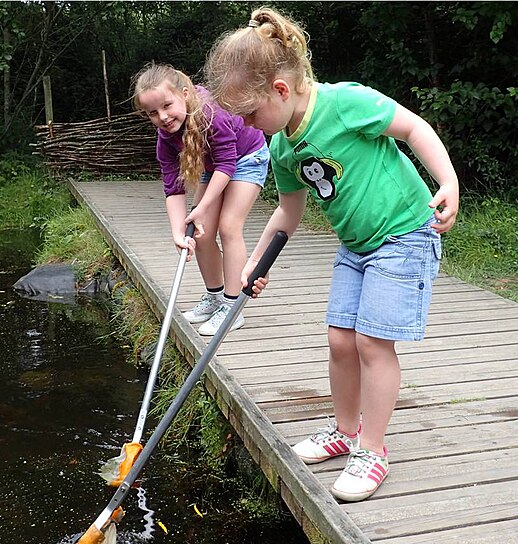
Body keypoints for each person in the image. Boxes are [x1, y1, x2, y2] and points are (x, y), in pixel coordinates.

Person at [205, 7, 459, 501]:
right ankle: (345, 430)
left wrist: (447, 180)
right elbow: (286, 214)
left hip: (405, 233)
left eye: (251, 115)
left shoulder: (345, 103)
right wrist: (255, 264)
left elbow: (414, 128)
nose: (248, 127)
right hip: (356, 246)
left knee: (371, 343)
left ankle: (373, 448)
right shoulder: (280, 148)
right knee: (340, 340)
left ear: (280, 89)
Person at [131, 63, 269, 335]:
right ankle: (215, 297)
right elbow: (173, 187)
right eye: (153, 113)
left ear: (184, 93)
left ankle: (232, 308)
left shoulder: (211, 114)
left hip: (247, 158)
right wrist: (178, 231)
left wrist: (200, 207)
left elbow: (228, 165)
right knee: (201, 234)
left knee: (229, 227)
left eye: (167, 106)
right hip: (213, 167)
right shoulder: (166, 137)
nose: (163, 117)